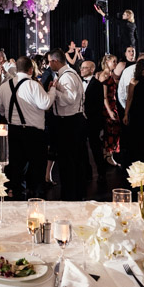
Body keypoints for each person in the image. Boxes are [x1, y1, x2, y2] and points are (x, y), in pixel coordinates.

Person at [0, 56, 53, 199]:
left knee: (16, 165)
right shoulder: (33, 85)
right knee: (37, 166)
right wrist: (53, 91)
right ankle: (36, 197)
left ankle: (17, 195)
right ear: (31, 70)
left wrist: (7, 113)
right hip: (34, 133)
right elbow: (45, 104)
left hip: (14, 131)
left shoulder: (5, 85)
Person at [47, 49, 87, 200]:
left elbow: (70, 99)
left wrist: (54, 91)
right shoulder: (69, 74)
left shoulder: (67, 76)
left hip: (70, 123)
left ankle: (70, 196)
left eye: (49, 61)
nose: (49, 65)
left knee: (68, 162)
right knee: (73, 160)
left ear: (55, 61)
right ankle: (76, 193)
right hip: (72, 121)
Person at [80, 61, 106, 179]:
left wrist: (87, 114)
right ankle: (87, 172)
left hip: (93, 121)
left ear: (91, 69)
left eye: (85, 68)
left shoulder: (97, 84)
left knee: (95, 147)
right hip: (81, 121)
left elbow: (99, 104)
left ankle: (101, 173)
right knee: (82, 148)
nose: (82, 69)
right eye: (81, 67)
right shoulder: (78, 82)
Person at [97, 54, 121, 167]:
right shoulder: (104, 75)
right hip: (108, 107)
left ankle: (108, 155)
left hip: (112, 105)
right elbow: (104, 96)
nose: (116, 64)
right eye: (113, 61)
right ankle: (108, 156)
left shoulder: (110, 74)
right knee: (110, 131)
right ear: (107, 62)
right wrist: (110, 111)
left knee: (112, 131)